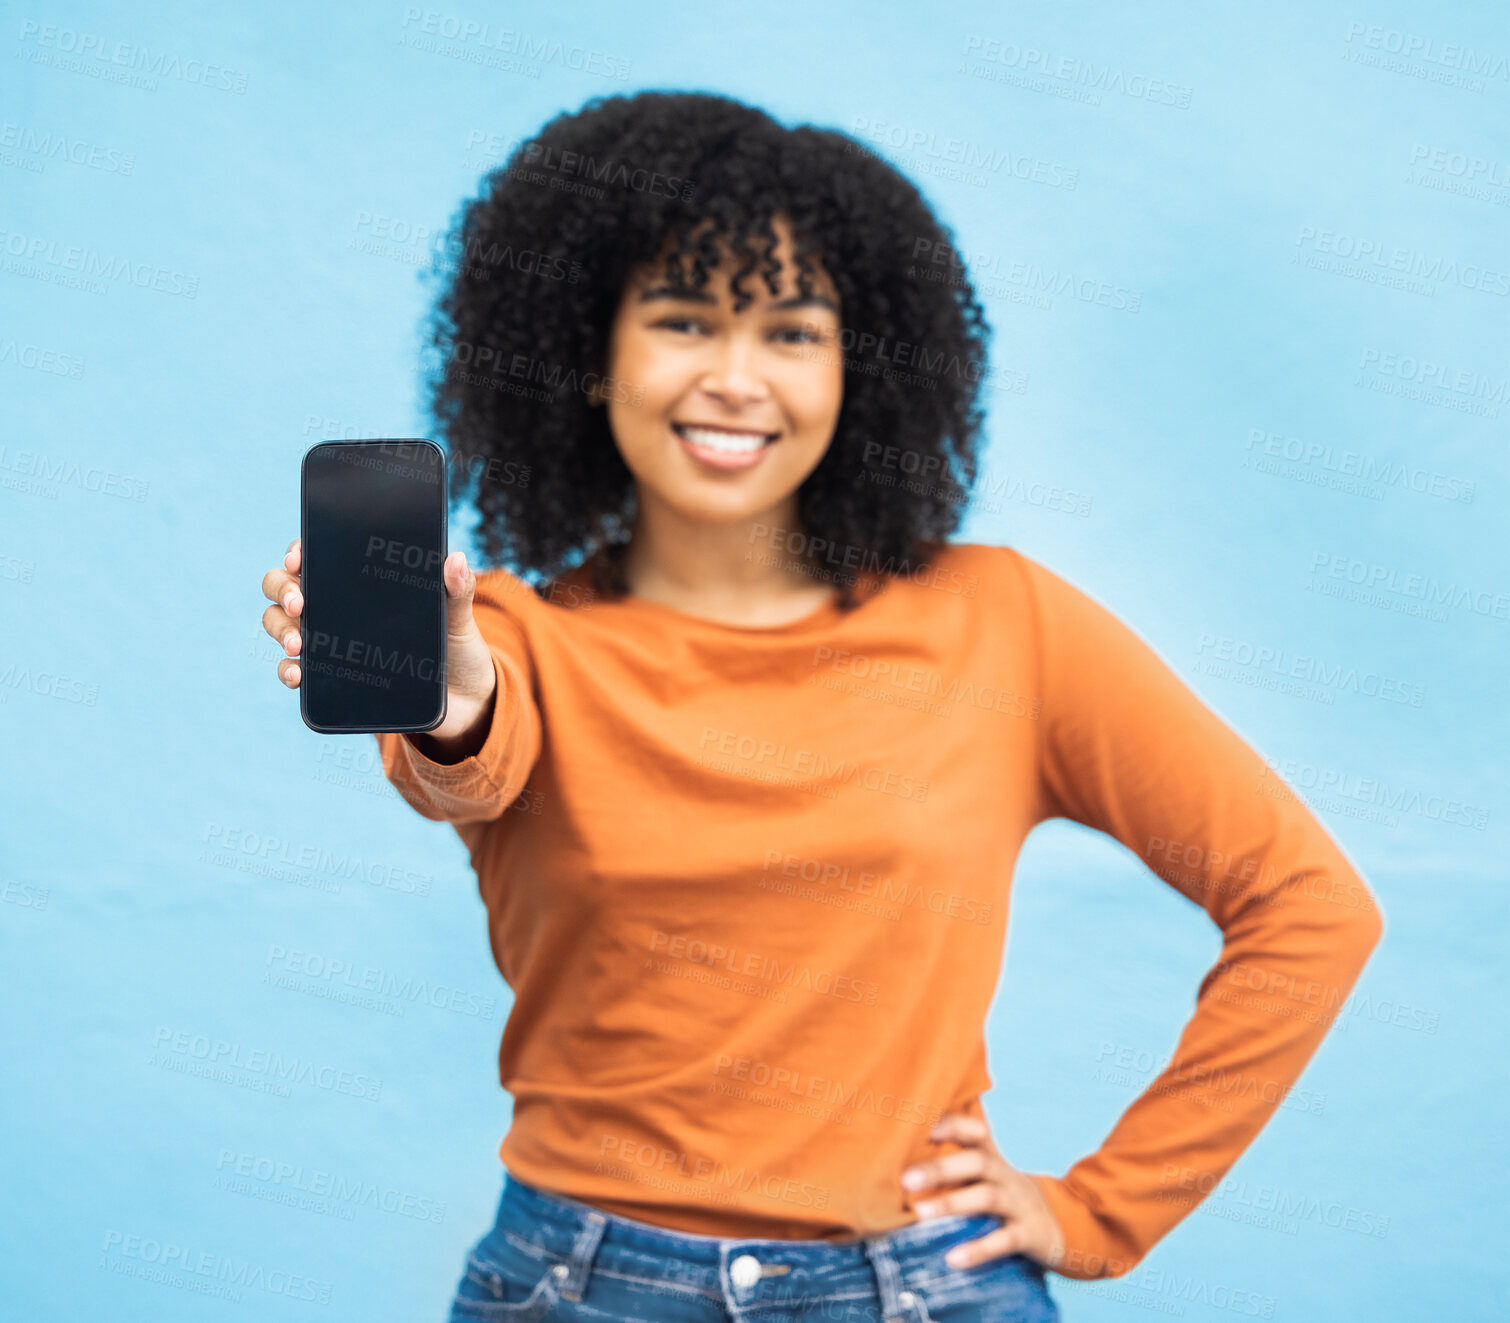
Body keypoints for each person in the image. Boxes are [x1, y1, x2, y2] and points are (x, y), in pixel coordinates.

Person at [259, 91, 1383, 1323]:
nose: (735, 379)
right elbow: (470, 751)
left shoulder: (1005, 625)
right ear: (593, 355)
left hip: (924, 1288)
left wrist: (1101, 1211)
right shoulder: (519, 641)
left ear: (860, 368)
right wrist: (446, 694)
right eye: (683, 322)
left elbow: (1307, 906)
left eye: (792, 334)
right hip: (582, 1287)